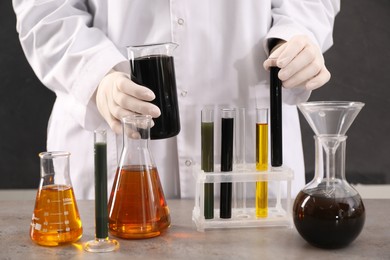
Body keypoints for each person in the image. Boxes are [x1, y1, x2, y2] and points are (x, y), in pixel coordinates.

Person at [13, 1, 340, 199]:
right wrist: (96, 77)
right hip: (113, 120)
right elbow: (45, 8)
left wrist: (296, 35)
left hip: (248, 122)